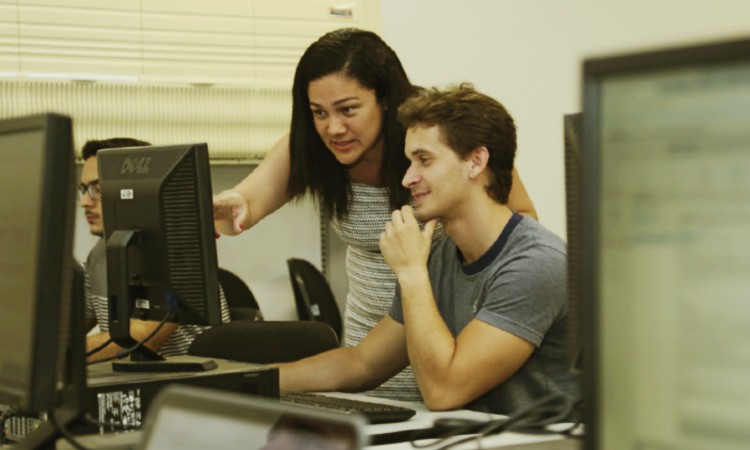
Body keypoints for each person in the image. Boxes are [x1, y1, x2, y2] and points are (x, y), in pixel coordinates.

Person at [213, 28, 538, 402]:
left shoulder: (440, 141)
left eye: (348, 109)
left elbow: (515, 225)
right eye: (319, 112)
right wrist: (231, 203)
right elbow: (240, 210)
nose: (333, 128)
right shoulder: (311, 148)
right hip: (375, 355)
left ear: (384, 99)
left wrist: (482, 311)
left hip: (458, 359)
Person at [276, 84, 579, 416]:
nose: (407, 179)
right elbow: (360, 364)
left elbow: (444, 391)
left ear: (476, 162)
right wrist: (246, 379)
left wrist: (410, 273)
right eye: (409, 161)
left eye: (424, 160)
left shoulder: (536, 264)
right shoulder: (440, 256)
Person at [80, 138, 230, 362]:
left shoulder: (176, 254)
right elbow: (68, 326)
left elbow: (142, 337)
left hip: (192, 387)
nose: (84, 202)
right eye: (83, 189)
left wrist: (56, 357)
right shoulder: (102, 251)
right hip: (137, 382)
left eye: (97, 189)